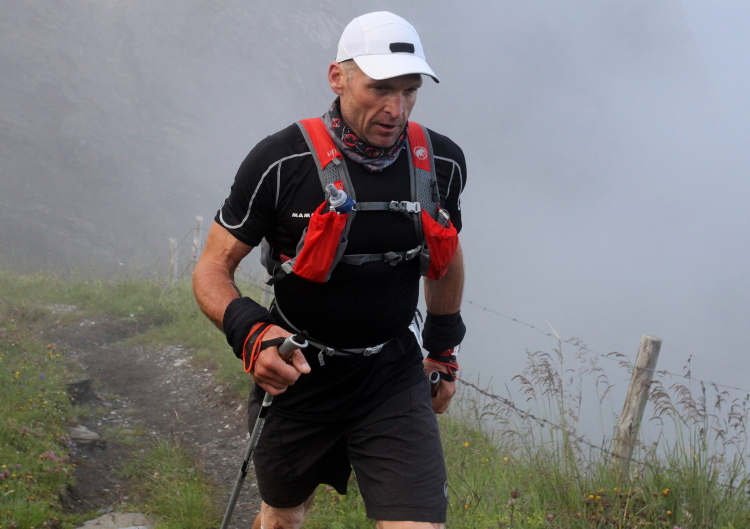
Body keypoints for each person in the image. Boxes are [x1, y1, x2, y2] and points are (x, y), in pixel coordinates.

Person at [193, 11, 467, 529]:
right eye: (380, 88)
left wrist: (443, 351)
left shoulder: (441, 163)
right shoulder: (280, 161)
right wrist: (251, 333)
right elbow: (211, 267)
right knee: (283, 518)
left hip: (392, 375)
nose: (396, 109)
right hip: (299, 376)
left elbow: (446, 255)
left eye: (410, 91)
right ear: (337, 77)